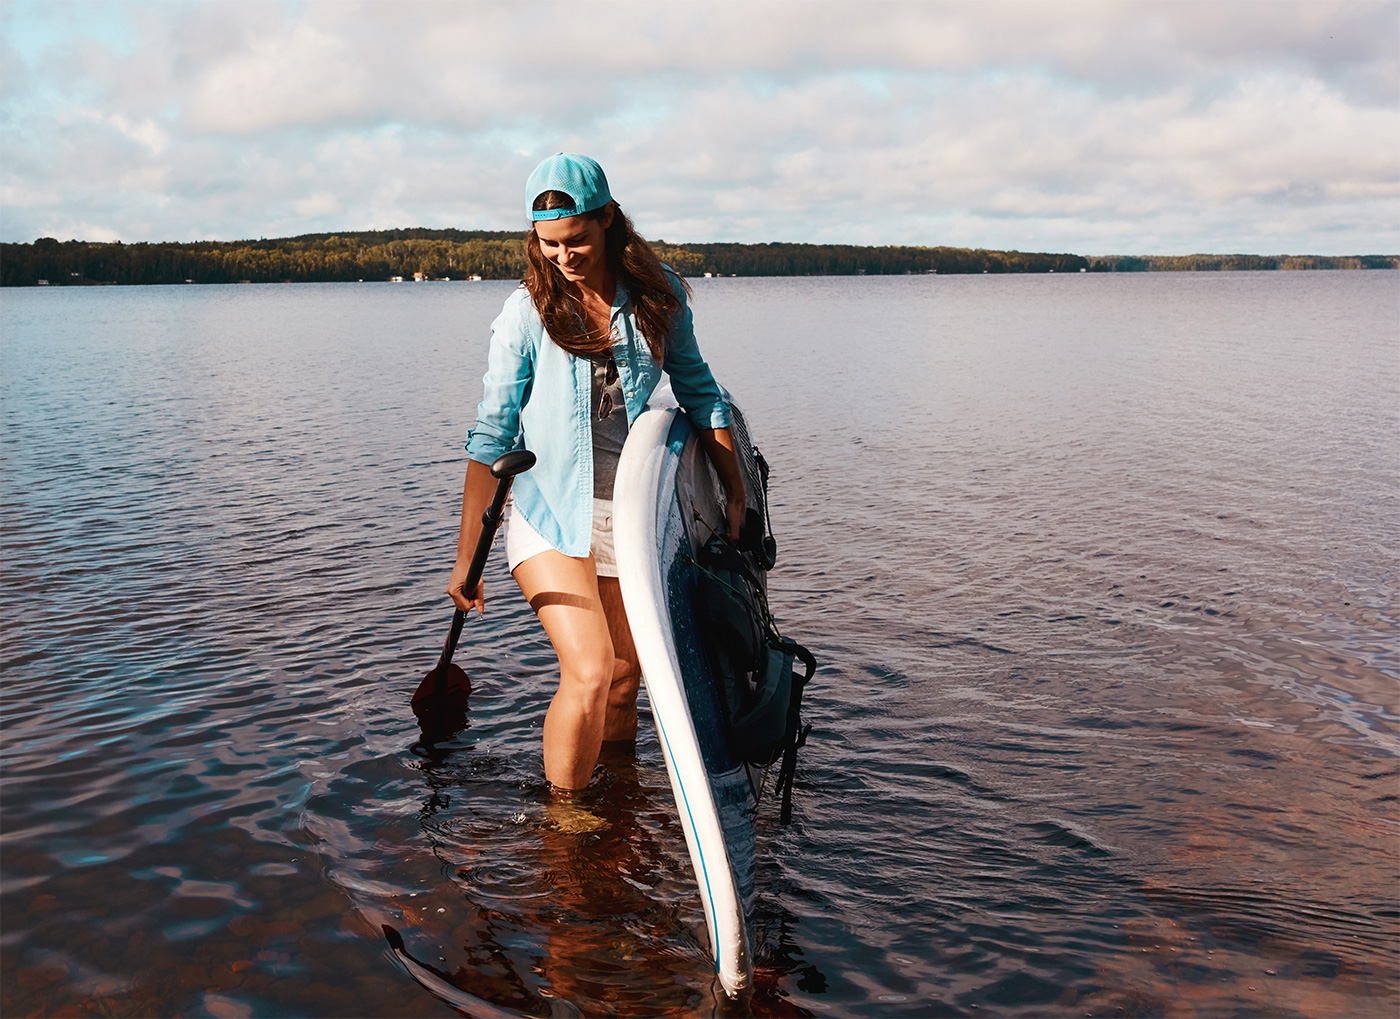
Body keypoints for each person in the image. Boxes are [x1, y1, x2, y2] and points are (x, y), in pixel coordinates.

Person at [447, 153, 746, 791]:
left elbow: (701, 393)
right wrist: (466, 557)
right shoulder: (524, 314)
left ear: (608, 219)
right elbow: (490, 437)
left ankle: (616, 802)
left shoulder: (657, 296)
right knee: (588, 668)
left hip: (630, 513)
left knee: (622, 681)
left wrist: (735, 491)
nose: (563, 255)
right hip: (548, 511)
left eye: (576, 239)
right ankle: (567, 821)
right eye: (548, 244)